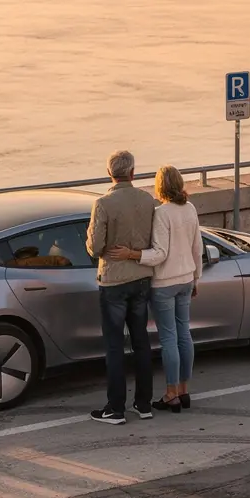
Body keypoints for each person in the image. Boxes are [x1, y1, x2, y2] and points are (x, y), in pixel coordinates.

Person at [107, 165, 202, 413]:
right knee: (185, 334)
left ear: (160, 186)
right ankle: (184, 390)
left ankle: (170, 394)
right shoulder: (190, 209)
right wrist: (196, 279)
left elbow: (160, 254)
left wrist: (132, 254)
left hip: (165, 284)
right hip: (185, 279)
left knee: (169, 338)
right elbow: (197, 248)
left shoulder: (162, 214)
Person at [86, 150, 157, 424]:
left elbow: (95, 248)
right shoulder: (147, 200)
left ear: (109, 174)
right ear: (133, 173)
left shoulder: (103, 203)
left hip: (114, 281)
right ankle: (144, 403)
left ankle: (115, 408)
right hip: (141, 278)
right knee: (141, 342)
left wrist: (89, 238)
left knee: (115, 347)